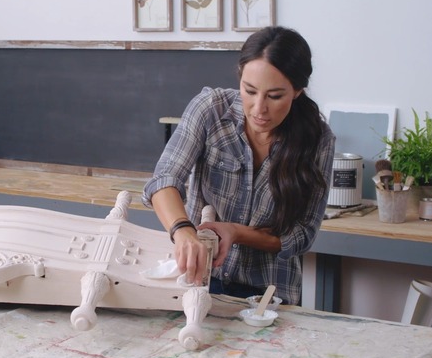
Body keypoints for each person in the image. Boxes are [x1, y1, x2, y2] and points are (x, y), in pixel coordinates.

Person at [141, 26, 335, 305]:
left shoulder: (319, 140)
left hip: (268, 296)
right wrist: (182, 230)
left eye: (275, 96)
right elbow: (164, 180)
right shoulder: (211, 110)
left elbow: (302, 235)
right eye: (250, 90)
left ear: (297, 91)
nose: (259, 109)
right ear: (240, 77)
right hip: (199, 281)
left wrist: (235, 233)